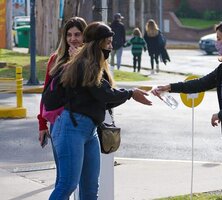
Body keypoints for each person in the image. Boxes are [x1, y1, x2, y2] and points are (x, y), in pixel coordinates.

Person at [152, 17, 222, 199]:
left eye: (219, 38)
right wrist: (170, 87)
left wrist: (220, 114)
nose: (217, 42)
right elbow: (201, 83)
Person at [49, 21, 152, 200]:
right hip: (71, 128)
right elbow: (104, 93)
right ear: (98, 44)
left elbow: (104, 100)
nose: (111, 47)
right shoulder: (85, 65)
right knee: (67, 185)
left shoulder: (95, 64)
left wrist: (129, 94)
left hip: (90, 131)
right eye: (108, 43)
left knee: (90, 189)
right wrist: (130, 93)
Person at [37, 16, 87, 193]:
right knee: (64, 182)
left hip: (84, 125)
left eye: (78, 34)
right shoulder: (56, 59)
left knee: (86, 183)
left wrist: (79, 61)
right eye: (69, 35)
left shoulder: (91, 60)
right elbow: (46, 93)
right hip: (59, 124)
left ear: (85, 36)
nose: (73, 39)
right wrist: (42, 124)